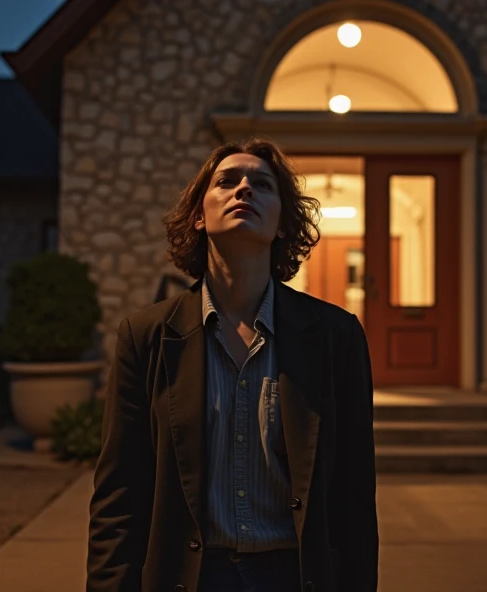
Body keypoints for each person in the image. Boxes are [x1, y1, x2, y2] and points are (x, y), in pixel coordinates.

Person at [86, 137, 378, 592]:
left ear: (283, 223)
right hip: (192, 578)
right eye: (227, 181)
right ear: (199, 216)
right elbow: (119, 494)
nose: (244, 188)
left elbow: (354, 494)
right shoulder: (147, 338)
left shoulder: (335, 337)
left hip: (296, 575)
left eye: (262, 184)